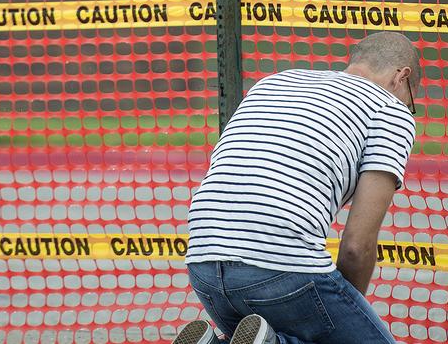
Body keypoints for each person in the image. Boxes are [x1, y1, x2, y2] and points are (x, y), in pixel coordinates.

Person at [172, 32, 420, 344]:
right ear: (402, 76)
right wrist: (344, 314)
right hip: (281, 268)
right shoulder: (389, 110)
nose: (408, 109)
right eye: (411, 102)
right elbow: (358, 245)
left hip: (203, 262)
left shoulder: (274, 82)